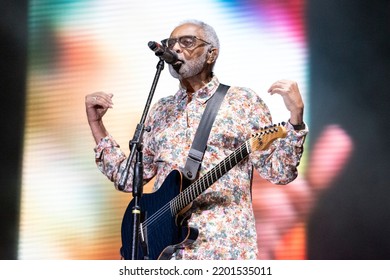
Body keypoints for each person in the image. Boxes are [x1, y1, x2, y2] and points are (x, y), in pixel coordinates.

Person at [85, 19, 308, 260]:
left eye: (187, 41)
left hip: (221, 250)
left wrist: (295, 120)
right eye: (172, 43)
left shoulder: (243, 101)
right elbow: (129, 180)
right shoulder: (161, 110)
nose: (176, 48)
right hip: (164, 254)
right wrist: (96, 125)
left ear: (211, 54)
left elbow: (280, 173)